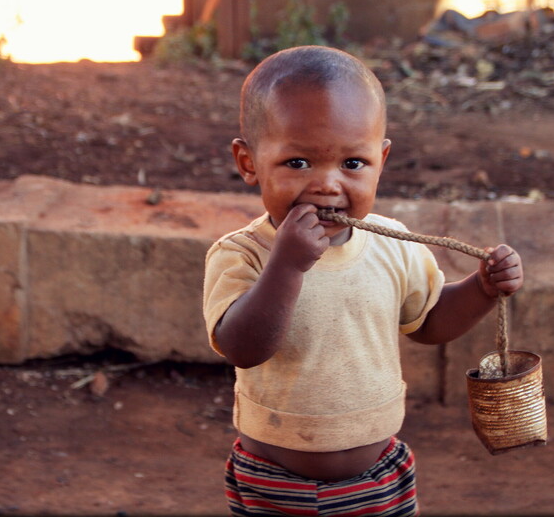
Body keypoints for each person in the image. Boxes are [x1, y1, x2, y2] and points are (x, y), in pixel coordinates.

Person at [203, 45, 523, 516]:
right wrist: (287, 266)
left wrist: (482, 289)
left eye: (353, 163)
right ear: (249, 162)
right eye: (298, 163)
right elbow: (242, 348)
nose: (328, 185)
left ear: (381, 159)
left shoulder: (393, 243)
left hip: (378, 478)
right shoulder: (243, 254)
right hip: (274, 481)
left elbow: (429, 322)